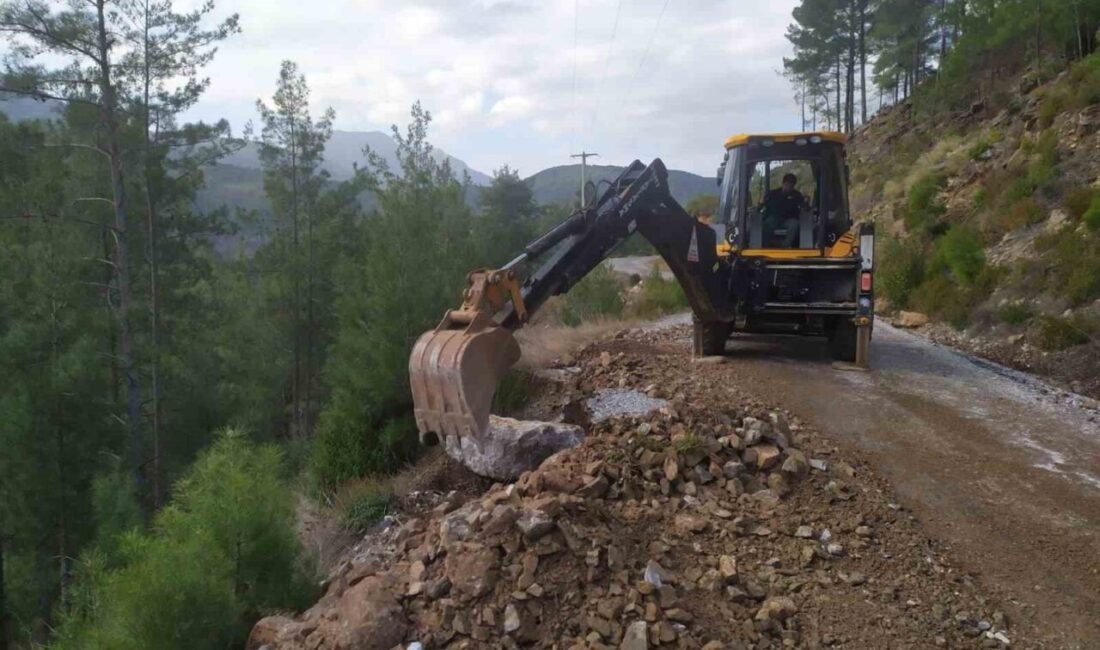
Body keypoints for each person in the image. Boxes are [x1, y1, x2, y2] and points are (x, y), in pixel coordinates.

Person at [761, 173, 805, 247]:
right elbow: (764, 204)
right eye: (787, 184)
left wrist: (805, 204)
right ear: (783, 183)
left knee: (794, 224)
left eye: (791, 185)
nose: (789, 187)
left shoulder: (797, 195)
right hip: (774, 217)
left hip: (789, 219)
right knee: (767, 224)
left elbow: (803, 206)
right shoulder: (773, 194)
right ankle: (766, 245)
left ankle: (785, 244)